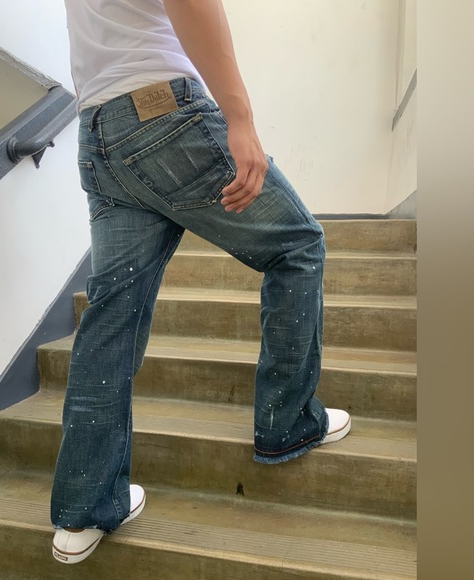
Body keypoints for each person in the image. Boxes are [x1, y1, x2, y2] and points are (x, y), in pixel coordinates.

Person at [51, 0, 351, 564]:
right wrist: (240, 117)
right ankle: (286, 421)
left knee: (111, 316)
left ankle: (82, 510)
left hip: (98, 133)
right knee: (298, 245)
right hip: (162, 112)